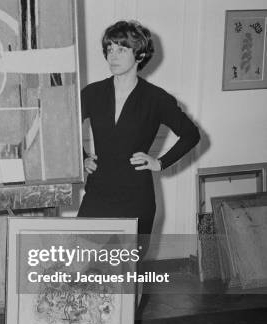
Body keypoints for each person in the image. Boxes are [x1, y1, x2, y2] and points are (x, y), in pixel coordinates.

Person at [79, 20, 200, 238]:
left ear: (140, 55)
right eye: (109, 49)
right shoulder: (92, 94)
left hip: (136, 199)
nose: (112, 56)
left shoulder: (156, 99)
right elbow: (64, 130)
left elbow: (191, 135)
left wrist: (160, 162)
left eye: (121, 49)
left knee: (127, 269)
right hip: (97, 194)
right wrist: (82, 158)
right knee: (82, 263)